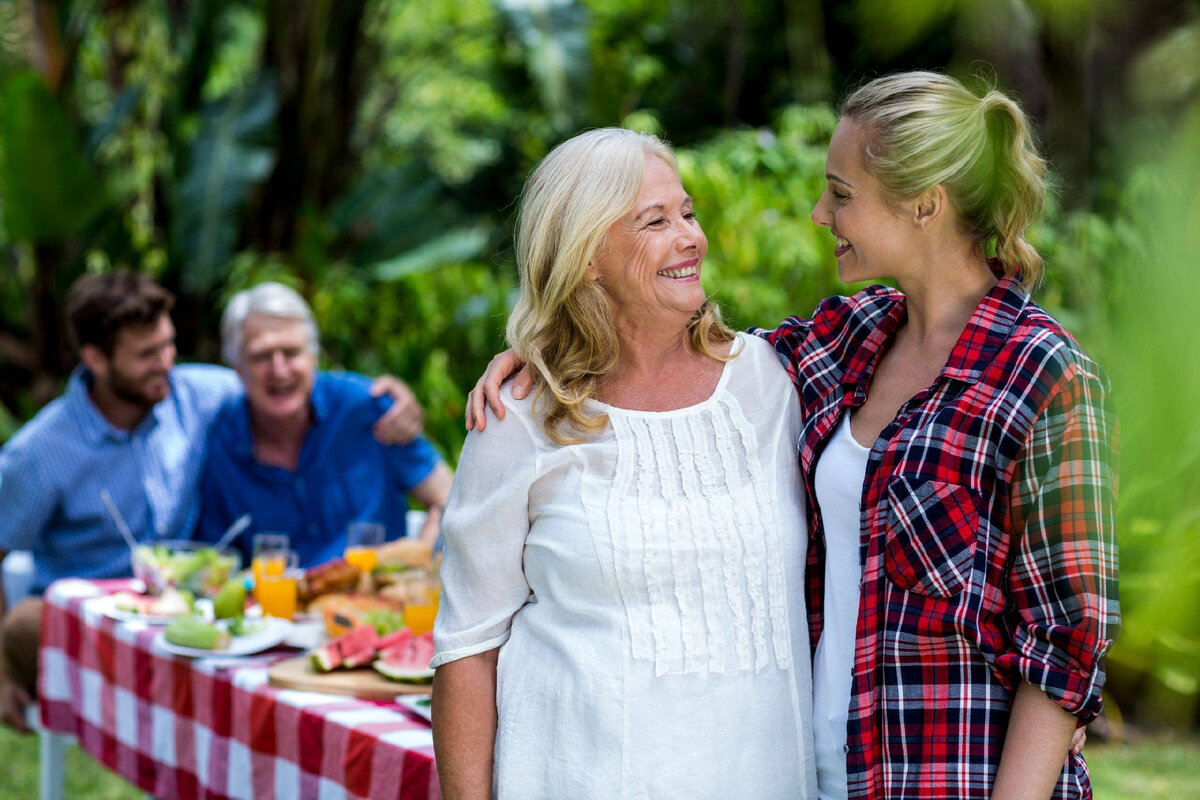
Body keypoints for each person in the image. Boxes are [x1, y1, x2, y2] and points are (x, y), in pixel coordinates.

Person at [468, 72, 1117, 799]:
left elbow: (1067, 646)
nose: (819, 212)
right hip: (821, 775)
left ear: (924, 205)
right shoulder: (847, 343)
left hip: (952, 780)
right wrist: (549, 346)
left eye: (841, 194)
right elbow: (670, 359)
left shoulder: (1045, 375)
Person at [432, 128, 817, 799]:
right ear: (585, 257)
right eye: (655, 221)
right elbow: (467, 647)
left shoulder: (773, 382)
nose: (691, 237)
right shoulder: (518, 417)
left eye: (689, 213)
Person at [0, 270, 424, 732]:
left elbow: (289, 381)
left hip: (185, 623)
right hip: (89, 627)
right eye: (146, 355)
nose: (166, 363)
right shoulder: (41, 452)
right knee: (26, 623)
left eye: (168, 345)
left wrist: (388, 398)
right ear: (96, 359)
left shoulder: (196, 393)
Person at [195, 282, 451, 566]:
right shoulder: (222, 443)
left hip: (377, 605)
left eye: (291, 353)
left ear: (314, 356)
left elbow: (449, 499)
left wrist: (417, 564)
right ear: (237, 367)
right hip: (274, 608)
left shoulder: (367, 407)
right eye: (261, 356)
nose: (279, 370)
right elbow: (215, 560)